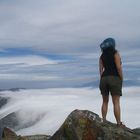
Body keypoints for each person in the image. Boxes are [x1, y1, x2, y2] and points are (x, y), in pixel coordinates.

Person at [99, 38, 125, 127]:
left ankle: (104, 121)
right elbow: (118, 67)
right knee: (116, 102)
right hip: (114, 78)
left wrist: (102, 79)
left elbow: (101, 70)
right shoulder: (116, 53)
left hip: (103, 79)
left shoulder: (101, 56)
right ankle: (118, 123)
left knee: (105, 101)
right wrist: (121, 78)